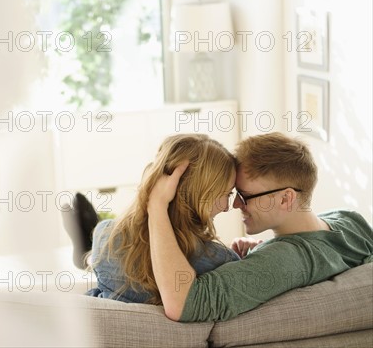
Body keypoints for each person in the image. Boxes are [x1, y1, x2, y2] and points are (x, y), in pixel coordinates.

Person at [148, 132, 373, 322]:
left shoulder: (284, 260)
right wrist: (263, 249)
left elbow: (185, 304)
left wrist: (157, 205)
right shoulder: (350, 220)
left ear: (286, 199)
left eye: (245, 196)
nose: (235, 204)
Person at [63, 134, 239, 304]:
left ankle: (86, 254)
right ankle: (86, 254)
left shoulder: (106, 235)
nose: (227, 206)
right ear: (202, 193)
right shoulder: (220, 260)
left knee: (104, 240)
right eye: (227, 194)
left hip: (99, 317)